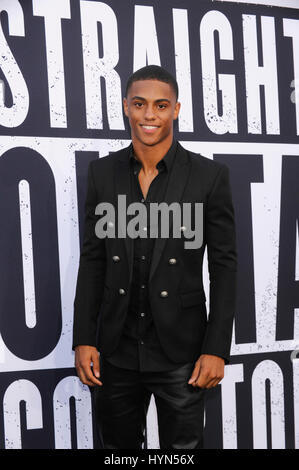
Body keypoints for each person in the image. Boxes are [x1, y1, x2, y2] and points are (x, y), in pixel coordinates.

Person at [72, 65, 237, 449]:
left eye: (161, 105)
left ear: (176, 109)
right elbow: (93, 260)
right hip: (115, 350)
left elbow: (225, 267)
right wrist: (84, 337)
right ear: (126, 107)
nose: (150, 115)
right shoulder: (101, 174)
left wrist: (216, 349)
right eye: (140, 104)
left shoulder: (209, 177)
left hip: (182, 352)